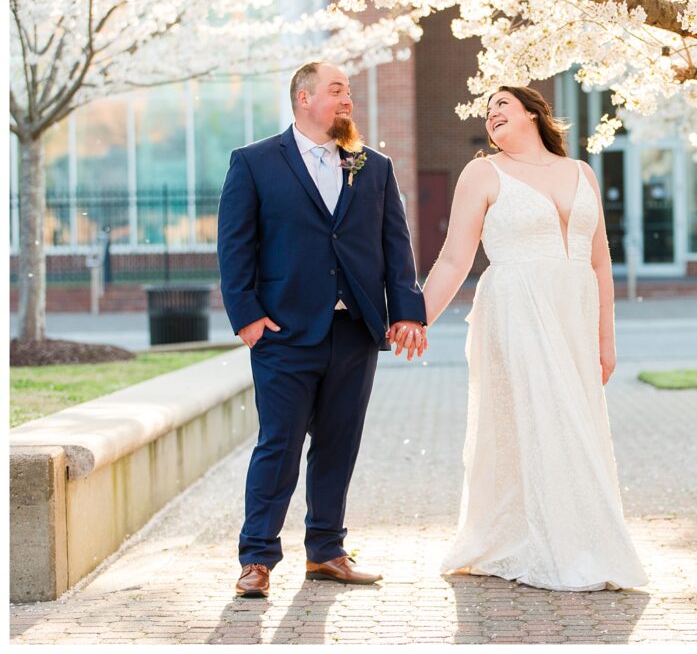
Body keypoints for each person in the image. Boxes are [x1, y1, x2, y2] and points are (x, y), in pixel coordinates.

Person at [394, 86, 647, 590]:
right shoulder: (482, 173)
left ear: (533, 113)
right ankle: (547, 544)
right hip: (515, 308)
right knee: (543, 418)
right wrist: (415, 316)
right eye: (487, 114)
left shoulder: (581, 173)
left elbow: (600, 261)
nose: (492, 117)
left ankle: (584, 539)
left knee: (576, 421)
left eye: (501, 107)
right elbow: (453, 259)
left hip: (574, 312)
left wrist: (606, 338)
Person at [217, 61, 427, 598]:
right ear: (304, 98)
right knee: (279, 445)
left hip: (355, 331)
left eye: (349, 92)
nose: (347, 100)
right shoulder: (255, 162)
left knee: (338, 445)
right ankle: (257, 559)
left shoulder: (372, 166)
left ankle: (326, 552)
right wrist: (247, 319)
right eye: (337, 91)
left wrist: (405, 311)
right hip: (283, 333)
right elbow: (235, 246)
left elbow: (395, 246)